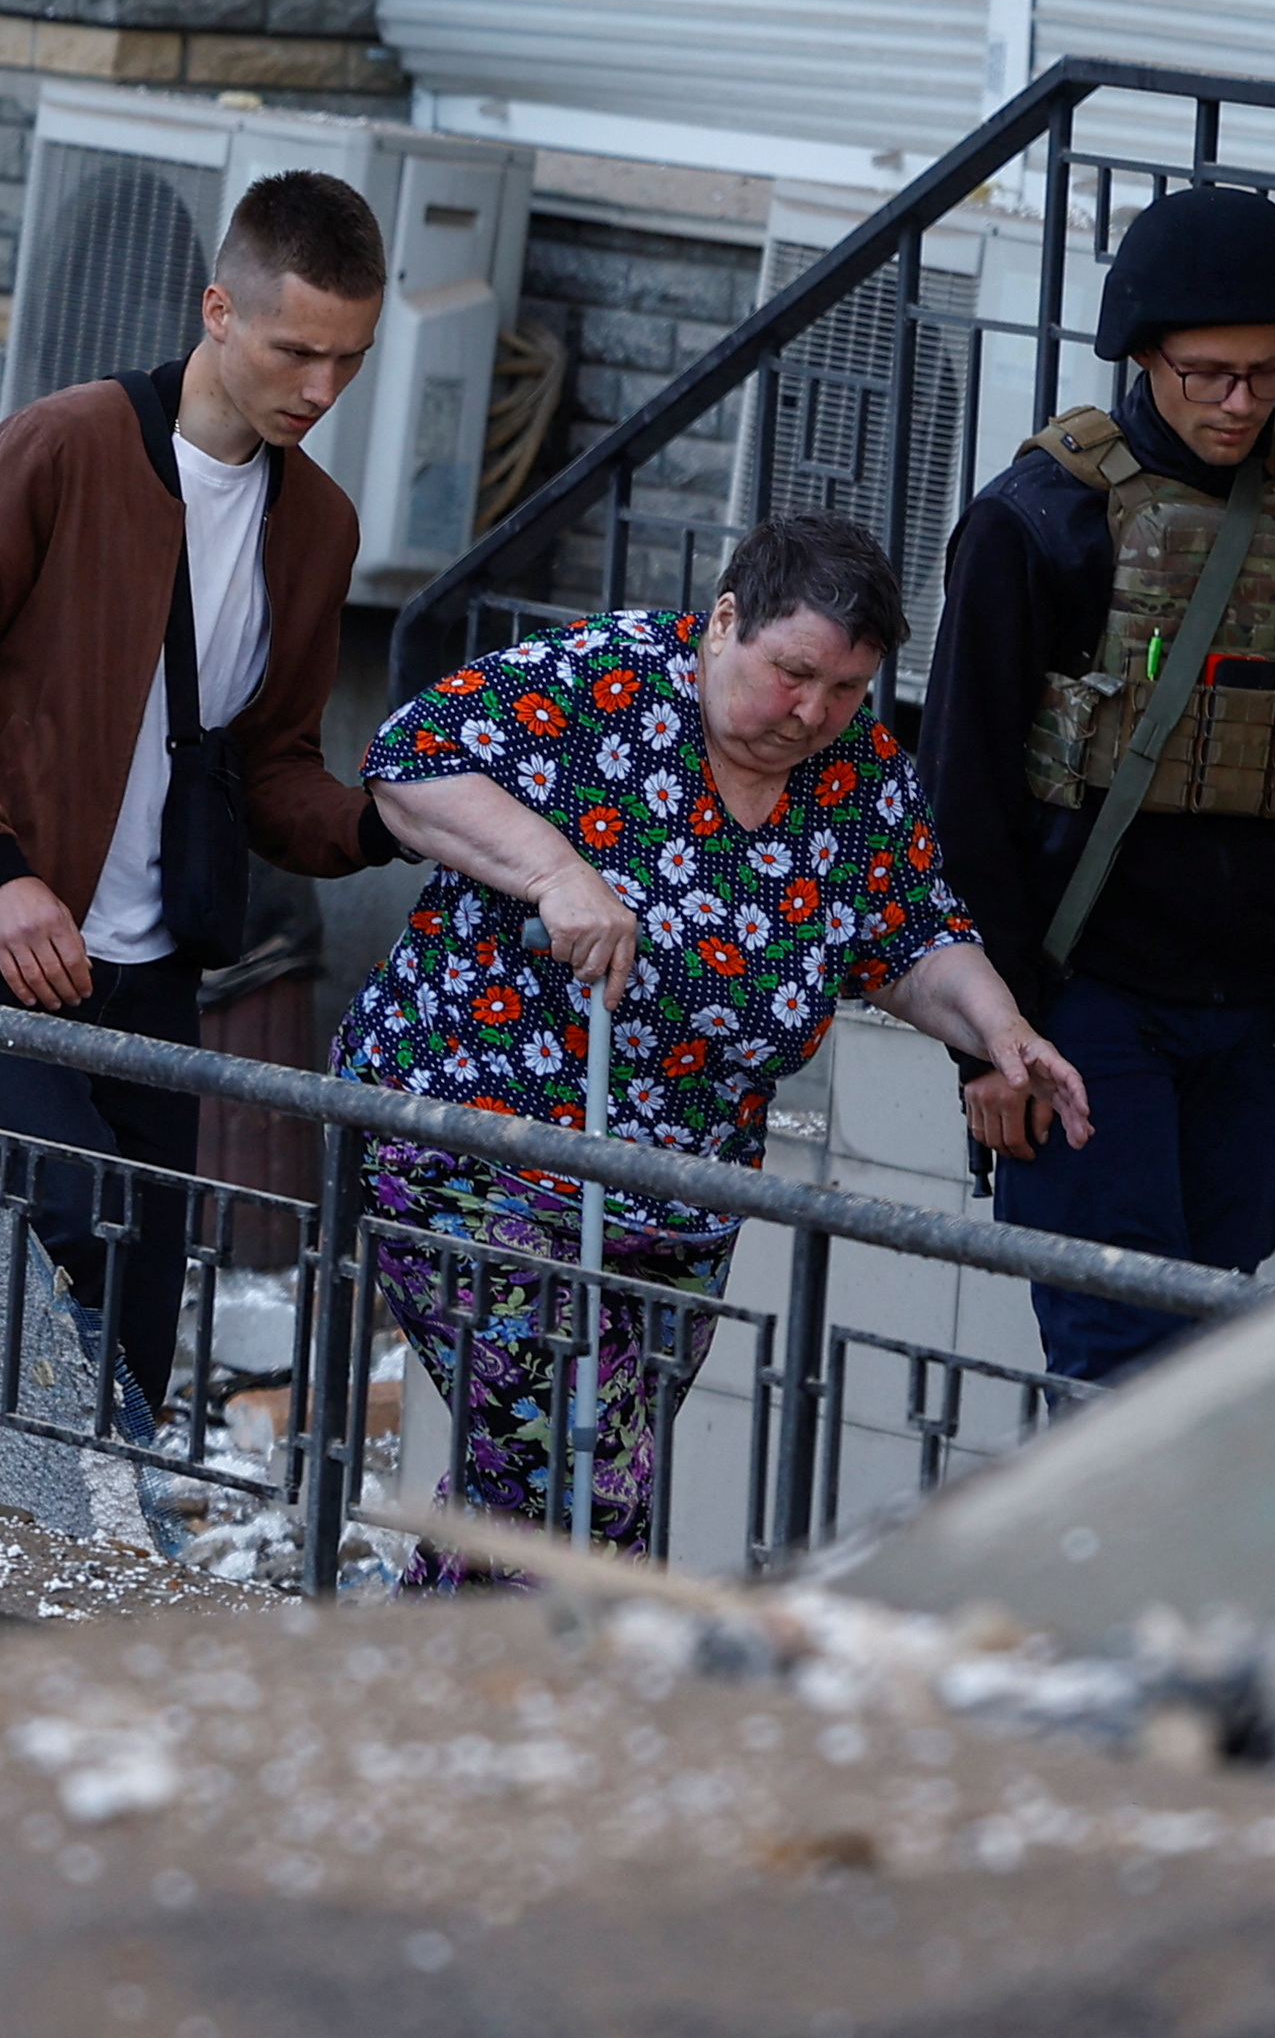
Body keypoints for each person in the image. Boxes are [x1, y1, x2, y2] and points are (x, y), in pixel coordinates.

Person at [340, 510, 1089, 1572]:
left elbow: (915, 938)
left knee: (538, 1490)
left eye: (844, 691)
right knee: (583, 1482)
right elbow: (406, 762)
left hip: (681, 1199)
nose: (812, 712)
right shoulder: (606, 682)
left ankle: (430, 1707)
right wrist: (557, 874)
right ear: (725, 621)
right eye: (792, 673)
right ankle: (566, 1709)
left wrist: (1000, 1028)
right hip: (482, 1150)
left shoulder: (860, 776)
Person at [0, 170, 399, 1439]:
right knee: (61, 1213)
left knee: (144, 1296)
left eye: (352, 360)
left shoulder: (317, 524)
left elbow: (272, 768)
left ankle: (88, 1530)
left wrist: (395, 825)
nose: (322, 390)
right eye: (297, 350)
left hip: (155, 963)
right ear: (219, 310)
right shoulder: (63, 445)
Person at [919, 183, 1275, 1384]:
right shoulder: (1040, 520)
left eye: (1270, 376)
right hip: (1085, 1002)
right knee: (1116, 1350)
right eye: (1211, 373)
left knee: (1211, 1348)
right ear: (1142, 354)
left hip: (1262, 1000)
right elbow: (962, 796)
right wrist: (986, 1043)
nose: (1241, 402)